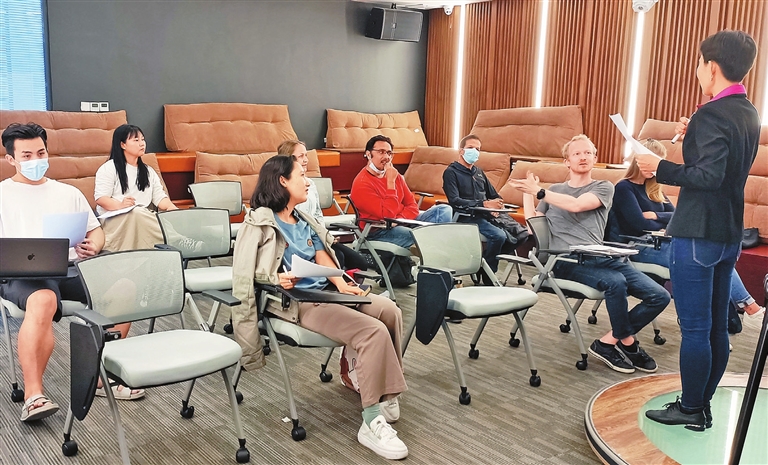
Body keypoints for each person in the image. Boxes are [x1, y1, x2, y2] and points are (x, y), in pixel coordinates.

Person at [231, 155, 409, 460]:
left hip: (327, 291)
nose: (308, 181)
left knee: (389, 311)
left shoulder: (302, 219)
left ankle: (385, 392)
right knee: (372, 331)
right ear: (282, 181)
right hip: (297, 301)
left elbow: (320, 253)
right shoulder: (258, 222)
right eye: (301, 175)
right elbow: (243, 275)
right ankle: (370, 421)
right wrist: (274, 277)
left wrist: (341, 283)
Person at [639, 30, 761, 431]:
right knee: (714, 326)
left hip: (697, 232)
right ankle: (700, 403)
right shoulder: (747, 111)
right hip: (728, 232)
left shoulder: (712, 115)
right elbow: (722, 164)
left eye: (698, 62)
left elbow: (707, 176)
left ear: (711, 66)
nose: (696, 69)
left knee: (694, 328)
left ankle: (691, 407)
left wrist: (660, 167)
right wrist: (696, 130)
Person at [0, 123, 140, 423]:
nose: (36, 160)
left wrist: (94, 245)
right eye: (27, 155)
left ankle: (103, 376)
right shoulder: (2, 195)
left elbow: (95, 230)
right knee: (44, 300)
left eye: (41, 153)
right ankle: (33, 396)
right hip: (22, 275)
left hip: (72, 267)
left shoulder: (68, 192)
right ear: (11, 159)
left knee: (125, 288)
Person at [508, 134, 670, 374]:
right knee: (616, 282)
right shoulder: (554, 190)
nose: (583, 157)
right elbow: (534, 226)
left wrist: (539, 191)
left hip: (600, 257)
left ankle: (609, 341)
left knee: (660, 296)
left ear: (595, 158)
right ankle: (628, 343)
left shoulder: (603, 187)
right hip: (565, 260)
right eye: (576, 153)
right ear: (567, 161)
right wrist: (527, 192)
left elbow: (577, 205)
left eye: (587, 153)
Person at [612, 139, 765, 318]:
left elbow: (677, 216)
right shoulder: (624, 187)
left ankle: (742, 307)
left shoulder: (654, 189)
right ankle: (745, 307)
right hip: (636, 246)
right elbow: (641, 224)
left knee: (709, 255)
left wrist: (655, 215)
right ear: (638, 160)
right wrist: (663, 222)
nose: (654, 167)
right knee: (699, 258)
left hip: (660, 242)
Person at [277, 140, 368, 272]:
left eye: (306, 155)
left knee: (360, 263)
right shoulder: (283, 190)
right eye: (301, 156)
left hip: (318, 236)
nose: (306, 160)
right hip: (302, 240)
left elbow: (317, 214)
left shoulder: (311, 184)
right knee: (339, 258)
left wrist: (325, 236)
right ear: (288, 159)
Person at [350, 135, 452, 248]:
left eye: (389, 153)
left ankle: (432, 244)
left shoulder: (395, 175)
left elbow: (412, 206)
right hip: (379, 231)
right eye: (381, 152)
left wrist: (398, 220)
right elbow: (387, 215)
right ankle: (435, 246)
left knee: (444, 210)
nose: (386, 157)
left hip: (403, 222)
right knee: (416, 235)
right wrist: (390, 182)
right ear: (369, 154)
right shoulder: (362, 183)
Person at [95, 124, 180, 252]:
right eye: (136, 140)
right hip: (115, 221)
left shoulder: (148, 171)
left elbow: (160, 199)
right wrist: (120, 205)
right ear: (123, 144)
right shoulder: (108, 168)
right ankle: (177, 241)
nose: (142, 144)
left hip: (143, 217)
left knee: (145, 215)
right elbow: (101, 199)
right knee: (137, 213)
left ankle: (178, 242)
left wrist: (174, 210)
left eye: (143, 139)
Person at [442, 134, 509, 274]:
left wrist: (496, 206)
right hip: (466, 216)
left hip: (485, 215)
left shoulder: (479, 172)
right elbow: (455, 200)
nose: (475, 151)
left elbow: (495, 196)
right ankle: (488, 273)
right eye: (471, 148)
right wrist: (484, 204)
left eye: (478, 149)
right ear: (461, 151)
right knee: (499, 236)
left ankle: (482, 264)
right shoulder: (451, 172)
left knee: (518, 234)